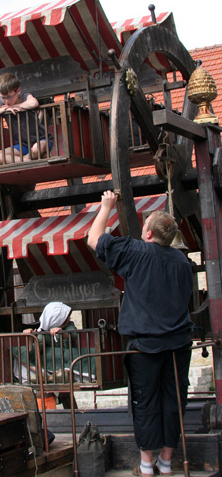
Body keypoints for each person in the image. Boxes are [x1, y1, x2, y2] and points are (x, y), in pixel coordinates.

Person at [87, 191, 193, 477]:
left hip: (146, 346)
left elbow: (94, 239)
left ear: (147, 233)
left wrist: (106, 206)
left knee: (145, 402)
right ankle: (166, 464)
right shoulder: (183, 262)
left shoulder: (135, 252)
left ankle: (146, 466)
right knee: (174, 401)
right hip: (179, 344)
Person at [0, 72, 52, 163]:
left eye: (9, 97)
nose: (6, 101)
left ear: (18, 91)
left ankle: (23, 161)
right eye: (3, 97)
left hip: (41, 140)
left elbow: (33, 103)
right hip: (23, 145)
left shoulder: (25, 97)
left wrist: (16, 106)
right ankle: (27, 162)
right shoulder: (2, 103)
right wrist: (3, 109)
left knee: (36, 149)